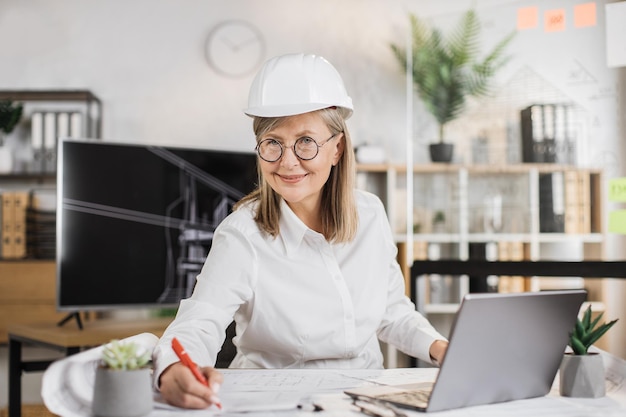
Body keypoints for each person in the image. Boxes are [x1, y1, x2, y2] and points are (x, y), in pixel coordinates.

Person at [152, 53, 449, 409]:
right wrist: (171, 368)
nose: (287, 161)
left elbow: (391, 310)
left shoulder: (370, 214)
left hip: (366, 398)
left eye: (306, 141)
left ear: (337, 148)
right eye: (272, 143)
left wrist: (440, 348)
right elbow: (202, 319)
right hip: (274, 402)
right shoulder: (242, 233)